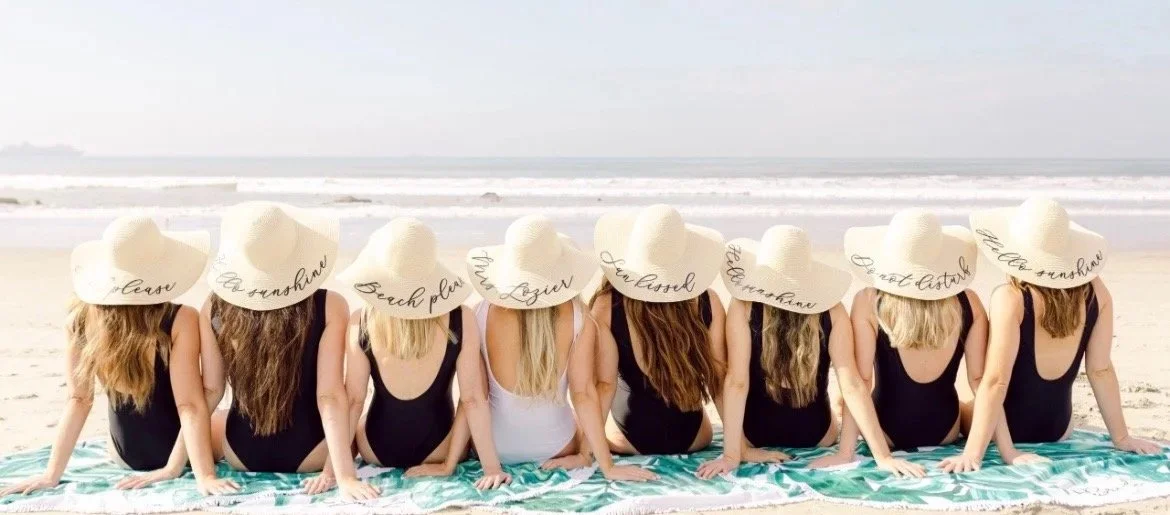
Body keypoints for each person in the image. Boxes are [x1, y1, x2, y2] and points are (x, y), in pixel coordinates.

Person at [0, 217, 238, 496]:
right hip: (176, 451)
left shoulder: (79, 319)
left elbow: (78, 400)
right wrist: (202, 475)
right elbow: (189, 405)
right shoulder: (179, 318)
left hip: (124, 454)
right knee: (225, 417)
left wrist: (51, 475)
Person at [940, 197, 1161, 472]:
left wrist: (973, 454)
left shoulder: (1011, 298)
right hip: (1058, 428)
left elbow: (996, 382)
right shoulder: (1097, 292)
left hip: (1011, 430)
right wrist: (1122, 437)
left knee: (968, 394)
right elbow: (1100, 370)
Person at [698, 225, 924, 479]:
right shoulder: (832, 311)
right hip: (817, 434)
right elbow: (852, 385)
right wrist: (879, 456)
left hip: (755, 434)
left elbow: (737, 383)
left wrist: (733, 454)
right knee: (839, 399)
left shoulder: (744, 306)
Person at [202, 201, 377, 500]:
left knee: (219, 416)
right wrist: (344, 477)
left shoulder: (214, 306)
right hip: (312, 454)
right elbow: (329, 396)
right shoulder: (330, 305)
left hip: (241, 453)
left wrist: (199, 472)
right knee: (357, 429)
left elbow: (211, 390)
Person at [466, 215, 654, 481]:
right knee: (574, 414)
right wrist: (606, 466)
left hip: (495, 449)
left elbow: (474, 399)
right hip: (556, 446)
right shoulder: (578, 316)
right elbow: (583, 394)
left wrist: (492, 469)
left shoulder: (480, 313)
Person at [337, 218, 510, 490]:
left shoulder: (363, 320)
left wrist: (339, 474)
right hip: (440, 448)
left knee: (359, 420)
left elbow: (353, 401)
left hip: (376, 450)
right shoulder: (460, 318)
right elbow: (473, 399)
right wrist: (489, 468)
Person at [819, 208, 986, 463]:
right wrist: (977, 453)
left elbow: (862, 381)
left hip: (886, 433)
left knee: (845, 399)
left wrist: (848, 452)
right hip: (946, 431)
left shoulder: (869, 301)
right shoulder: (969, 303)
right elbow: (980, 381)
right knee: (967, 401)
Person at [590, 204, 725, 456]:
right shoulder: (708, 301)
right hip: (694, 438)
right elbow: (719, 381)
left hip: (627, 441)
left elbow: (604, 385)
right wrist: (738, 448)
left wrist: (584, 448)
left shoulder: (607, 305)